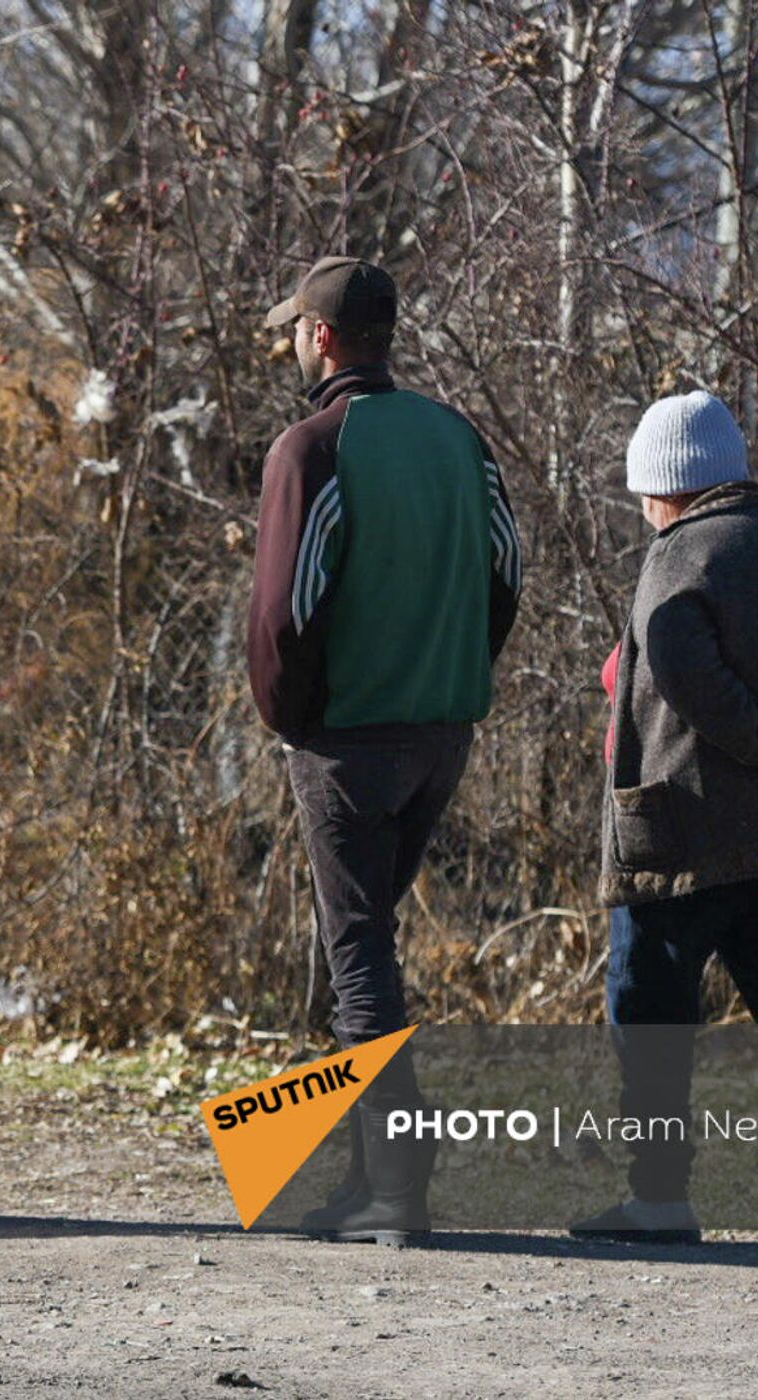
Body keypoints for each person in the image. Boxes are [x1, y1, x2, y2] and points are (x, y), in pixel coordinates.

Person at [246, 256, 522, 1243]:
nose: (289, 340)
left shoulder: (309, 445)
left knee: (357, 952)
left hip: (347, 738)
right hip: (440, 731)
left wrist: (292, 718)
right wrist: (453, 672)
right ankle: (363, 1177)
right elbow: (505, 572)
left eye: (293, 328)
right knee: (364, 944)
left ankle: (394, 1191)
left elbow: (282, 614)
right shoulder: (458, 436)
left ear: (319, 337)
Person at [571, 390, 758, 1246]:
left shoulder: (680, 553)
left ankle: (659, 1197)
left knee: (648, 1015)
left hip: (677, 833)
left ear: (665, 487)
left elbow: (686, 668)